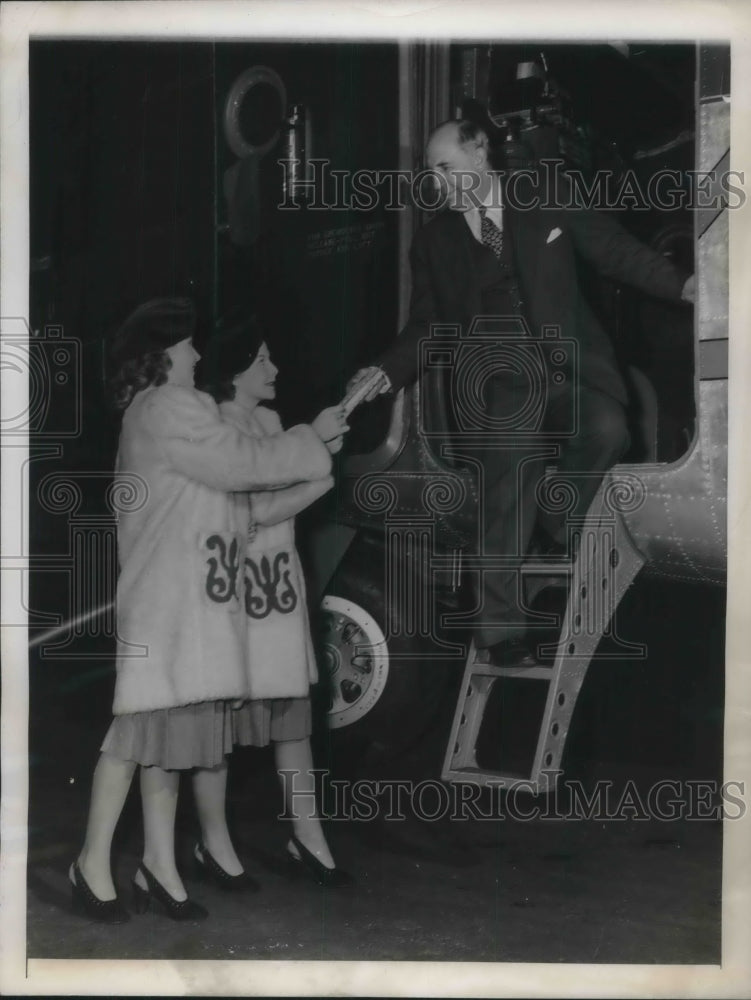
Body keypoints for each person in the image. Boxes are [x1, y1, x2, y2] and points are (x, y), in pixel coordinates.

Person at [349, 119, 694, 669]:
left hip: (568, 373)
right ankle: (500, 629)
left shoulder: (546, 196)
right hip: (499, 384)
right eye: (431, 172)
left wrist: (684, 285)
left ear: (480, 152)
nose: (437, 181)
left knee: (609, 429)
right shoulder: (435, 240)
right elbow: (427, 326)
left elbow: (616, 251)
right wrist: (383, 372)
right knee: (508, 471)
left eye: (445, 165)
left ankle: (554, 527)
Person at [70, 298, 347, 922]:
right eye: (190, 346)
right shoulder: (171, 407)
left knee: (168, 733)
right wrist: (313, 440)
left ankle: (157, 865)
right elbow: (242, 465)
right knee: (139, 732)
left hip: (185, 596)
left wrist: (303, 463)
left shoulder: (152, 411)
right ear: (166, 356)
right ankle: (92, 863)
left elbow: (232, 494)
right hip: (170, 598)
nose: (199, 356)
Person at [195, 320, 354, 888]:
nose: (274, 369)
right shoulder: (213, 425)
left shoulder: (268, 423)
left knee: (292, 720)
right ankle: (213, 843)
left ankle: (308, 834)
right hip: (233, 591)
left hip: (276, 591)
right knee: (218, 724)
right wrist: (316, 468)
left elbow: (278, 492)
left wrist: (315, 455)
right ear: (232, 370)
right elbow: (250, 510)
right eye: (261, 360)